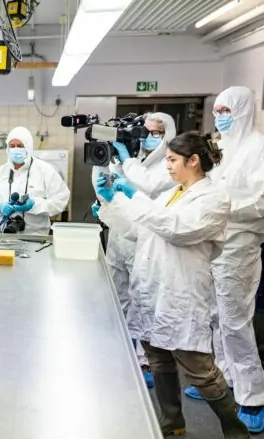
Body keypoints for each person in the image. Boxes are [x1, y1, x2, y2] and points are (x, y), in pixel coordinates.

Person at [96, 131, 250, 439]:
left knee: (199, 369)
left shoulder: (214, 198)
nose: (167, 166)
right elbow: (139, 231)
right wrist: (112, 202)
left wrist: (134, 196)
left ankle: (236, 431)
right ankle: (172, 422)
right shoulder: (171, 194)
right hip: (153, 289)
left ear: (193, 161)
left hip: (181, 293)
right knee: (158, 358)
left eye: (172, 160)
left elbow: (177, 229)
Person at [183, 86, 264, 433]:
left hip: (239, 247)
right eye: (216, 111)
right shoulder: (221, 147)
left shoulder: (258, 147)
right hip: (213, 243)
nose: (219, 117)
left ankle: (252, 397)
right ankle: (222, 381)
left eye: (225, 110)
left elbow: (261, 200)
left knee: (235, 323)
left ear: (243, 109)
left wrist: (224, 208)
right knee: (213, 317)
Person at [92, 112, 177, 388]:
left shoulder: (168, 164)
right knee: (117, 298)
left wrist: (126, 162)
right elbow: (105, 183)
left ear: (167, 134)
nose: (148, 137)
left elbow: (148, 186)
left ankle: (146, 361)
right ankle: (119, 352)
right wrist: (105, 200)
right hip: (119, 235)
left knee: (144, 302)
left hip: (146, 242)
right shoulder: (132, 158)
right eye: (145, 131)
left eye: (155, 132)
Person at [0, 126, 69, 234]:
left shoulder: (45, 171)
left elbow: (61, 199)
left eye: (20, 146)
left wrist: (34, 205)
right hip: (4, 234)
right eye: (12, 146)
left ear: (29, 147)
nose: (16, 149)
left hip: (36, 235)